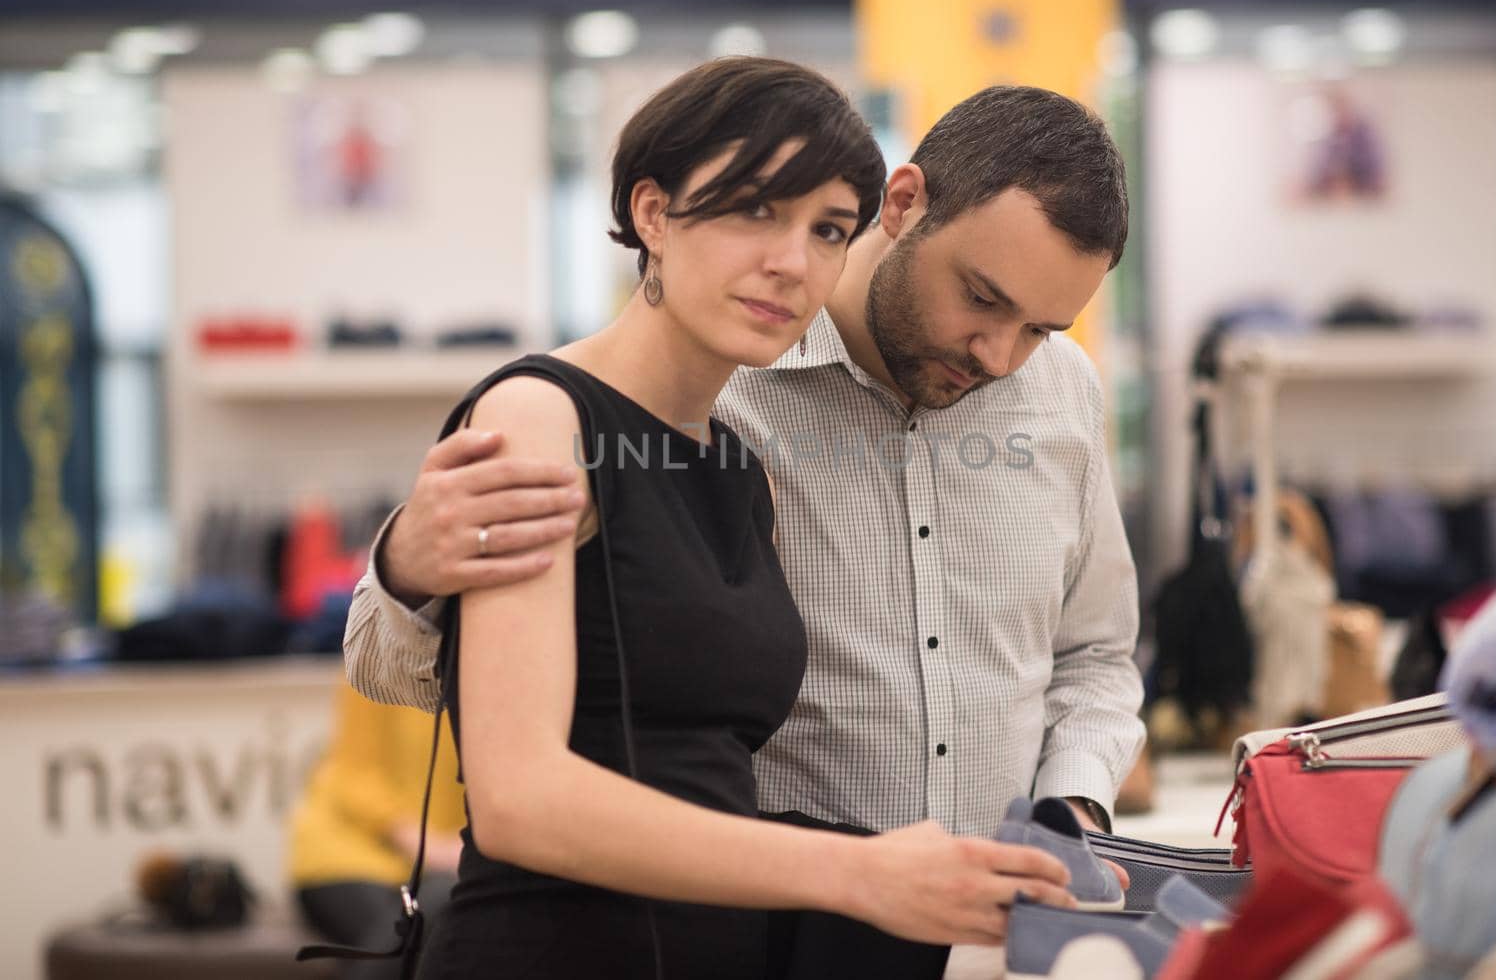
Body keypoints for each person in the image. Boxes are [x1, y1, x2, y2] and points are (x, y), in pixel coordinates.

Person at [349, 75, 1143, 977]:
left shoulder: (734, 466)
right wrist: (412, 567)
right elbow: (499, 768)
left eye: (826, 232)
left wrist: (1064, 819)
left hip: (898, 947)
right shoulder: (569, 415)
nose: (791, 264)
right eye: (755, 213)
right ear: (654, 213)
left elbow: (1095, 654)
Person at [288, 681, 466, 980]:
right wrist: (425, 843)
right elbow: (355, 775)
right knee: (425, 936)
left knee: (435, 922)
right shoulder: (380, 647)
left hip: (438, 871)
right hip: (345, 854)